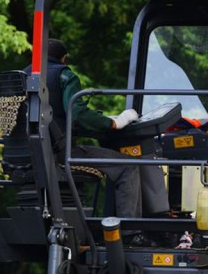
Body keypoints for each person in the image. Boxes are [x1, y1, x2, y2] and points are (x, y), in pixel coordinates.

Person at [34, 38, 171, 244]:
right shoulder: (64, 76)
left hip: (30, 155)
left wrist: (99, 123)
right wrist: (114, 123)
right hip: (61, 153)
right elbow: (77, 114)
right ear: (64, 59)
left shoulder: (22, 78)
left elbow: (57, 120)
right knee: (128, 167)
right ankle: (130, 234)